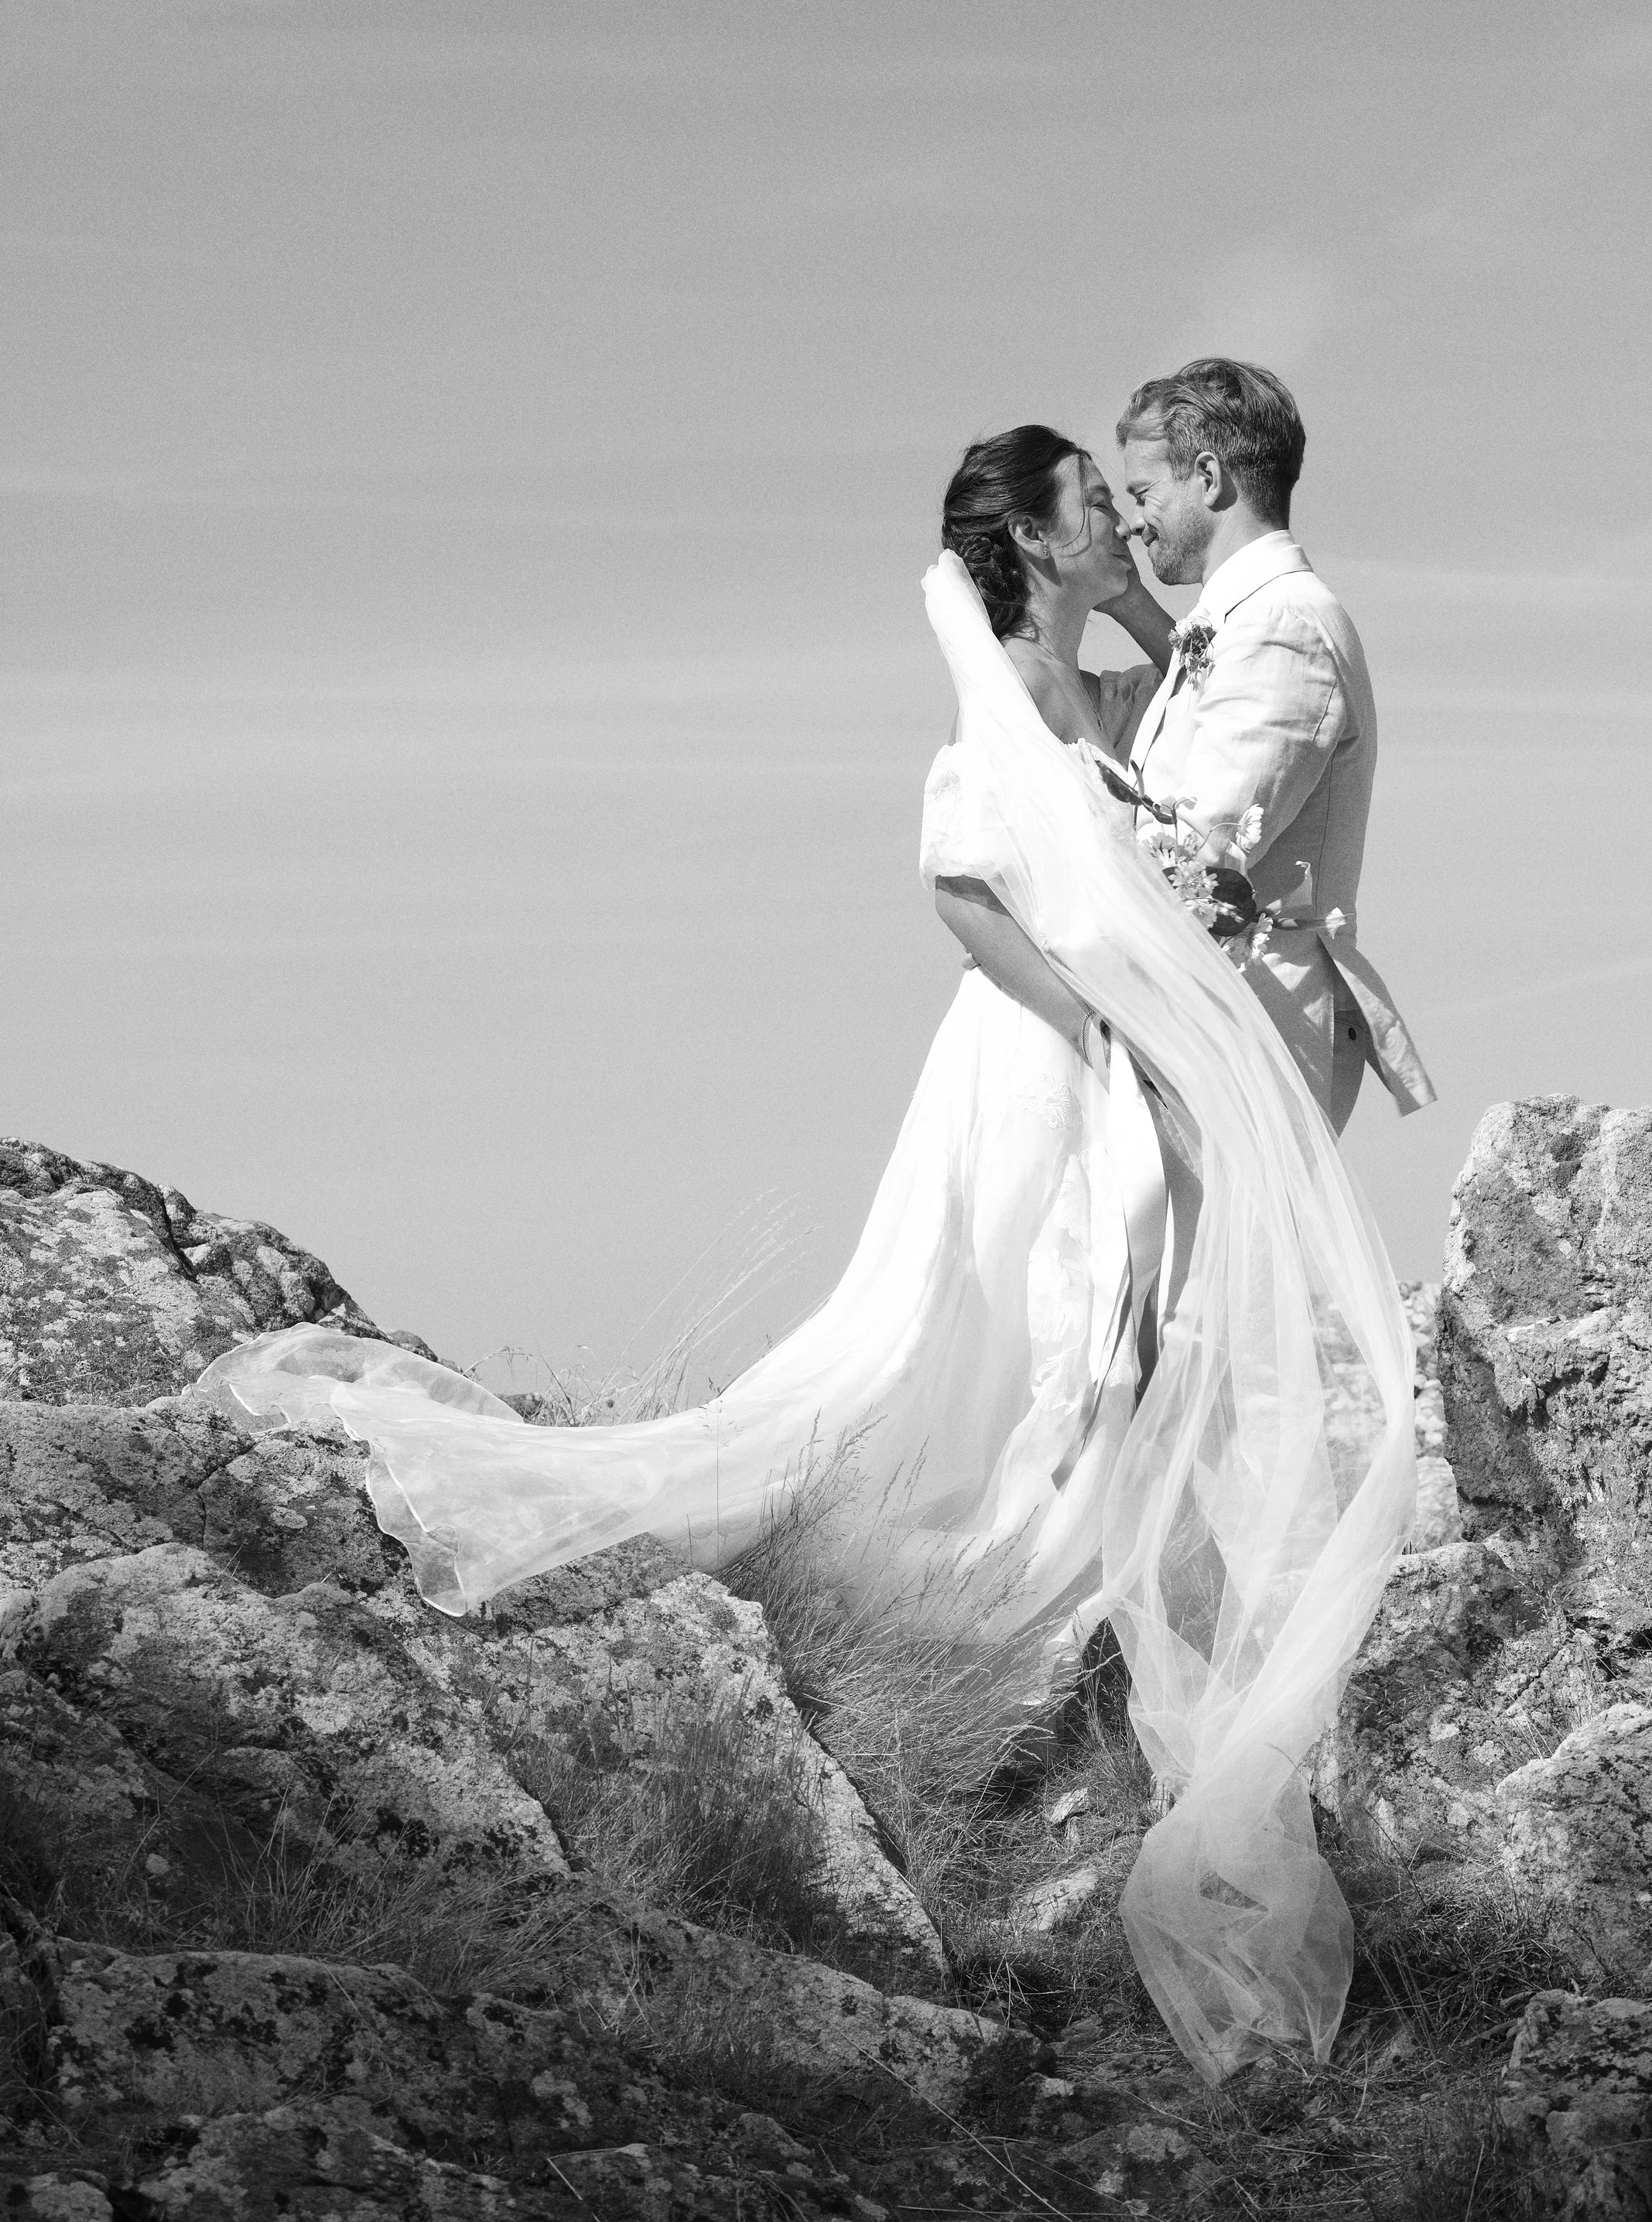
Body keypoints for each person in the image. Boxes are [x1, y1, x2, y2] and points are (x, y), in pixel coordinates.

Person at [197, 423, 1416, 2087]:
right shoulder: (999, 679)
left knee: (1071, 1325)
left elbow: (1159, 793)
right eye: (1093, 506)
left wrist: (1130, 621)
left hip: (1101, 1064)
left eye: (1134, 495)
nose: (1122, 520)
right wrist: (1101, 1026)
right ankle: (950, 1572)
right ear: (1035, 539)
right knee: (980, 1318)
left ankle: (1048, 1563)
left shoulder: (1106, 683)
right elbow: (962, 883)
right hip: (1034, 1054)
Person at [1091, 358, 1435, 1136]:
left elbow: (1196, 851)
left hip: (1255, 1031)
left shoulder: (1282, 626)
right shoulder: (1244, 619)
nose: (1134, 522)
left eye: (1143, 494)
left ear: (1208, 477)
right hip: (1215, 1025)